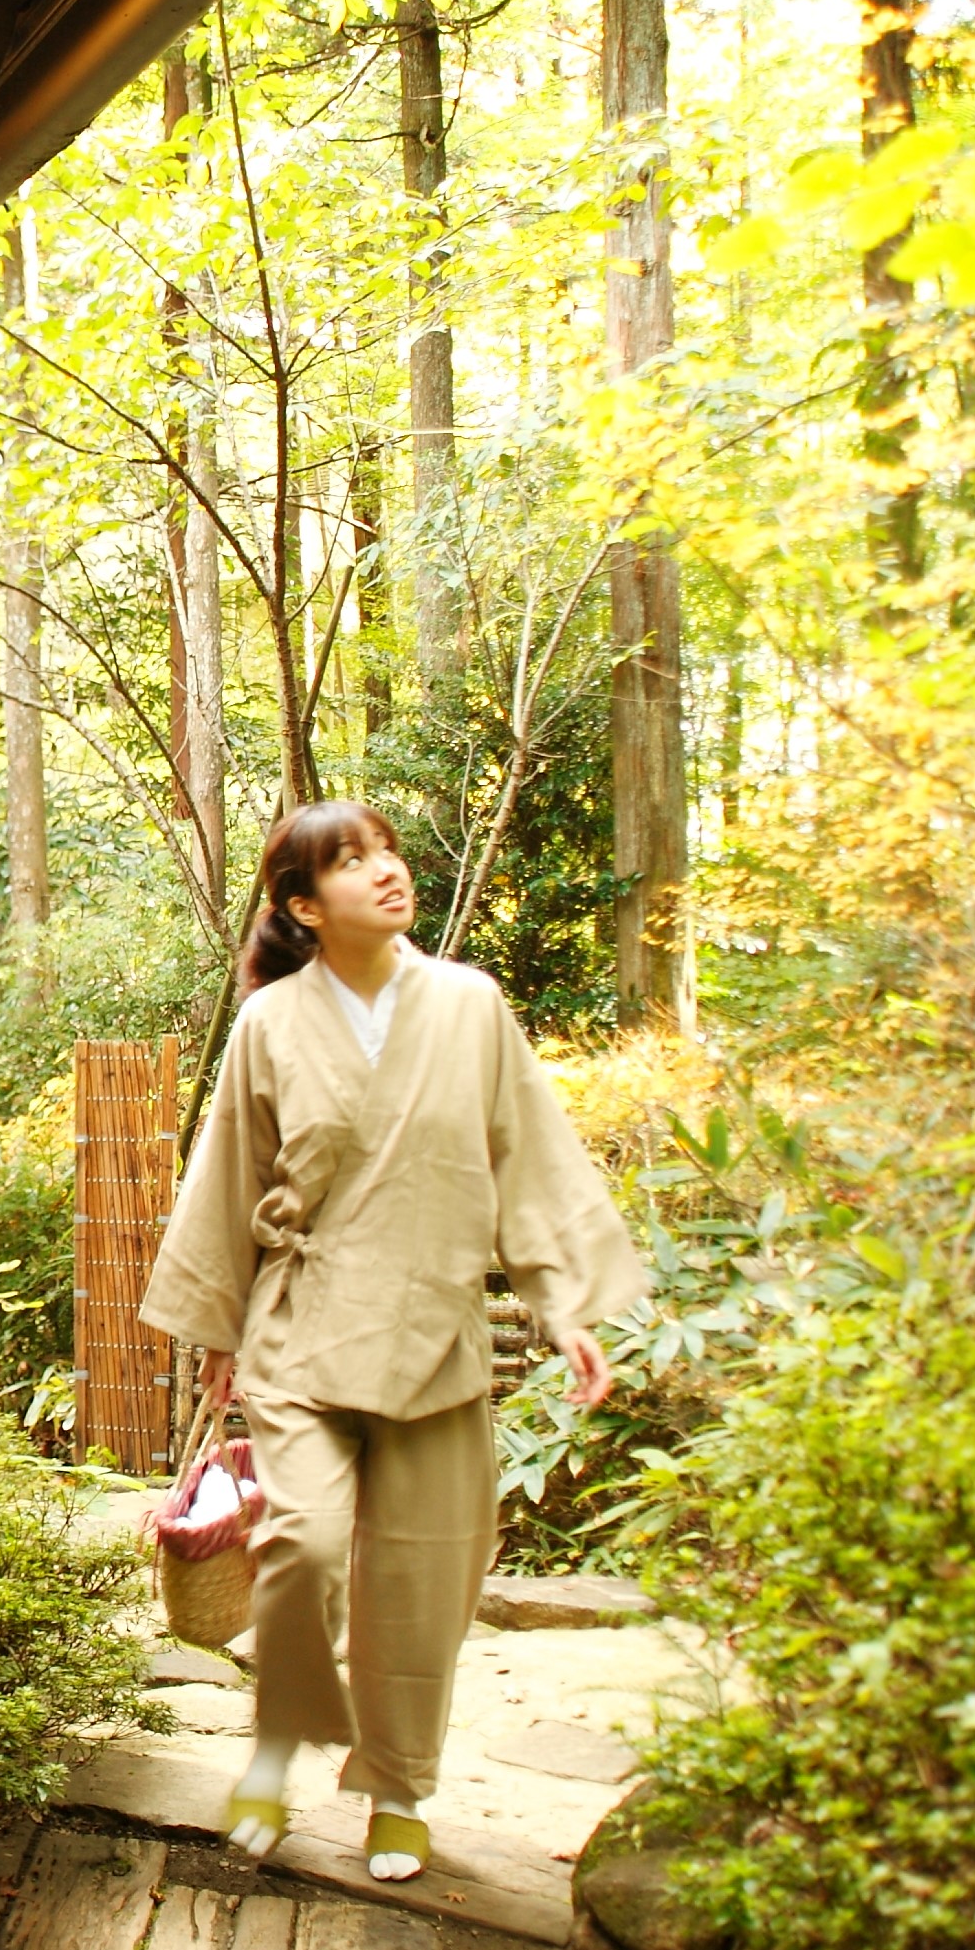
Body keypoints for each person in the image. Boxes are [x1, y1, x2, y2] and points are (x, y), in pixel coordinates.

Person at [140, 799, 630, 1883]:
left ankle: (397, 1791)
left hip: (433, 1334)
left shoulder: (470, 1006)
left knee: (422, 1581)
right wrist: (217, 1330)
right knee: (303, 1547)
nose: (385, 873)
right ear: (305, 908)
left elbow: (527, 1159)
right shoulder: (269, 1025)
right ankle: (272, 1748)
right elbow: (226, 1175)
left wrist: (566, 1310)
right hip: (301, 1327)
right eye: (350, 864)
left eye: (386, 853)